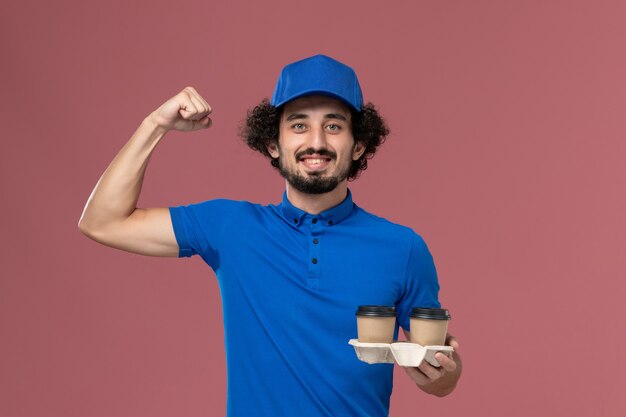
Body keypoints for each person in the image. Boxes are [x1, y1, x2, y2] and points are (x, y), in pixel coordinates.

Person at [79, 54, 462, 416]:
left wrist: (445, 372)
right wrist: (155, 125)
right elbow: (103, 221)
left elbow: (440, 373)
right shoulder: (230, 227)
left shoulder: (403, 247)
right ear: (273, 145)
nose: (316, 142)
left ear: (358, 145)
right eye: (299, 125)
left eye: (333, 125)